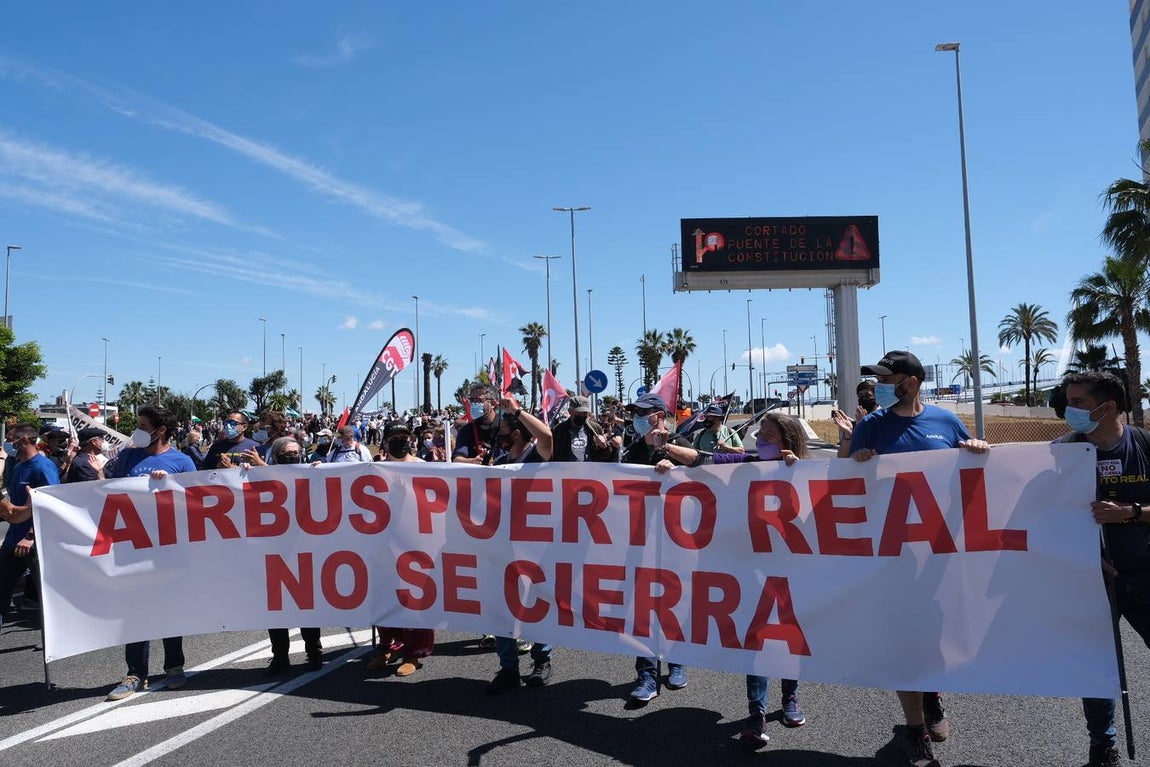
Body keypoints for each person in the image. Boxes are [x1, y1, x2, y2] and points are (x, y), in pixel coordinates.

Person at [850, 351, 989, 767]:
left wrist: (979, 451)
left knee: (936, 638)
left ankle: (932, 697)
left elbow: (971, 471)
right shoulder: (871, 426)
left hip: (940, 557)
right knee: (905, 642)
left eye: (887, 379)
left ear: (910, 381)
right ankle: (914, 730)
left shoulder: (945, 422)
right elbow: (840, 487)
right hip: (892, 559)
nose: (880, 387)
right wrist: (854, 461)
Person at [655, 411, 808, 744]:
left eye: (767, 436)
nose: (759, 441)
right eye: (759, 435)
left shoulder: (806, 471)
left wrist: (799, 471)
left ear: (788, 441)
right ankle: (757, 713)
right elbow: (704, 459)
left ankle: (790, 697)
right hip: (751, 567)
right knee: (756, 640)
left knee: (789, 637)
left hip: (790, 567)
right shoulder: (746, 463)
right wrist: (669, 453)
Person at [1057, 371, 1150, 767]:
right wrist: (1084, 553)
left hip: (1146, 574)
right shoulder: (1061, 453)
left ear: (1106, 406)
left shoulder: (1145, 444)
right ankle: (1103, 746)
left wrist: (1130, 513)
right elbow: (1045, 517)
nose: (1068, 410)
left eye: (1077, 402)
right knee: (1095, 666)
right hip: (1092, 579)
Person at [105, 405, 198, 701]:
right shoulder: (129, 457)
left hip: (169, 549)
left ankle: (174, 667)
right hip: (133, 547)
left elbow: (195, 503)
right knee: (135, 610)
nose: (138, 431)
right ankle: (135, 673)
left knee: (169, 608)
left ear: (161, 430)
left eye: (143, 426)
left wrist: (168, 486)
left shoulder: (181, 462)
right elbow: (112, 492)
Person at [621, 392, 707, 702]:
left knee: (674, 602)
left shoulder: (681, 443)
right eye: (636, 413)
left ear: (659, 415)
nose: (638, 418)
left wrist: (674, 463)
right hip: (639, 539)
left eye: (645, 412)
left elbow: (701, 468)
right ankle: (646, 674)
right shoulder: (631, 449)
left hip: (676, 540)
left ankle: (677, 661)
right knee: (642, 607)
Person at [486, 399, 556, 694]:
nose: (500, 431)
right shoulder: (501, 463)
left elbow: (548, 437)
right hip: (503, 546)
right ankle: (508, 667)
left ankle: (542, 660)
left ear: (518, 431)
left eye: (505, 427)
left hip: (536, 546)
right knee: (503, 607)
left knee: (536, 603)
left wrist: (516, 411)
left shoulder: (536, 457)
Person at [366, 423, 436, 677]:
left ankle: (413, 653)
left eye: (404, 437)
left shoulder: (422, 466)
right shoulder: (373, 468)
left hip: (415, 541)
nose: (400, 442)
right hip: (382, 541)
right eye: (394, 438)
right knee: (383, 595)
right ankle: (388, 646)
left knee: (413, 597)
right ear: (385, 442)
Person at [263, 436, 324, 674]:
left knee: (306, 606)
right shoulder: (263, 479)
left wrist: (324, 472)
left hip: (305, 550)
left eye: (296, 452)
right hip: (273, 551)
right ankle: (280, 656)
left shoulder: (311, 475)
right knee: (275, 608)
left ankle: (314, 651)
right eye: (287, 453)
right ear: (276, 458)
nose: (293, 456)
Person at [0, 424, 59, 624]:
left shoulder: (43, 467)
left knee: (47, 598)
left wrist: (30, 537)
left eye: (11, 438)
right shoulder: (18, 466)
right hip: (12, 542)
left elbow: (51, 505)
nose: (8, 443)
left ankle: (53, 643)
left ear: (24, 440)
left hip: (34, 546)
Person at [551, 395, 618, 462]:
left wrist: (604, 447)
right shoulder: (559, 430)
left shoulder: (595, 428)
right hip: (566, 471)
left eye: (585, 413)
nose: (582, 416)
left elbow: (606, 455)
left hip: (590, 471)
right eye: (579, 413)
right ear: (570, 411)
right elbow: (553, 455)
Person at [453, 384, 501, 465]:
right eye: (472, 400)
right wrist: (472, 461)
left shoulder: (504, 426)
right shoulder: (467, 430)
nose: (474, 404)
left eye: (478, 400)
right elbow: (457, 459)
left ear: (492, 404)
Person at [833, 380, 879, 457]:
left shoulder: (883, 422)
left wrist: (863, 426)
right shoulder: (852, 426)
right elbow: (841, 456)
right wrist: (849, 434)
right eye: (860, 395)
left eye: (867, 395)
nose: (863, 398)